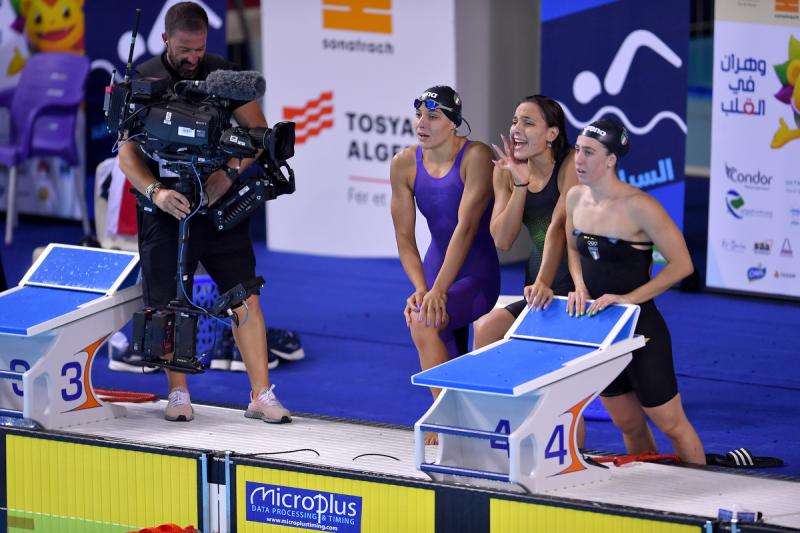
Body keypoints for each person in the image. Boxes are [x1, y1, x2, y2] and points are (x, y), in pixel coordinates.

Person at [118, 1, 290, 424]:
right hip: (166, 209)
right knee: (169, 302)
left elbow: (259, 137)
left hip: (218, 205)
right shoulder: (143, 80)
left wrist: (228, 174)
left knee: (244, 294)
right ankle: (178, 394)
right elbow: (127, 155)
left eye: (199, 48)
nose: (193, 58)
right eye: (184, 50)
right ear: (165, 41)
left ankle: (261, 394)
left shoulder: (224, 74)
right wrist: (156, 192)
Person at [565, 118, 705, 464]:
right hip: (599, 328)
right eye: (577, 151)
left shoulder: (640, 207)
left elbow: (682, 265)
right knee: (626, 421)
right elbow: (572, 248)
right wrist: (579, 285)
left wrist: (628, 299)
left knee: (671, 423)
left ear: (611, 159)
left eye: (589, 152)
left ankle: (705, 493)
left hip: (639, 327)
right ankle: (648, 488)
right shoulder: (574, 198)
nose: (579, 160)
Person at [390, 86, 499, 444]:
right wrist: (422, 288)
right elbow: (405, 238)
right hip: (436, 268)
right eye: (419, 115)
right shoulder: (404, 164)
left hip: (476, 273)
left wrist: (438, 290)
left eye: (433, 117)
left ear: (453, 124)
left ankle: (446, 417)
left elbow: (466, 228)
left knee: (425, 320)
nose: (422, 123)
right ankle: (455, 414)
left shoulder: (475, 156)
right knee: (424, 317)